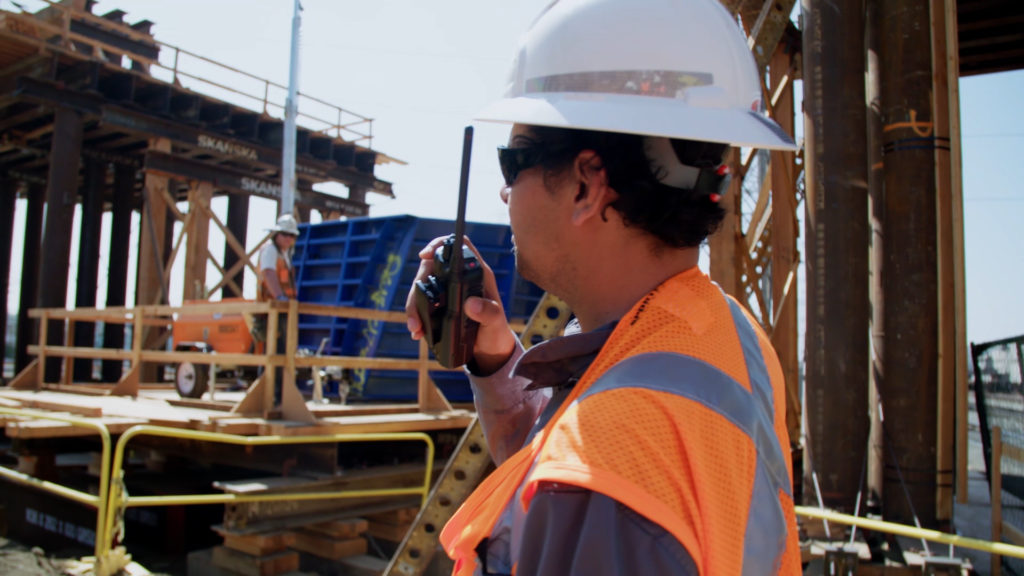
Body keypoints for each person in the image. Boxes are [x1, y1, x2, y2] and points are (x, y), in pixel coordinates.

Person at [404, 0, 802, 574]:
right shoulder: (724, 335)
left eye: (511, 162)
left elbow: (590, 475)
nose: (503, 194)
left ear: (587, 186)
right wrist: (495, 361)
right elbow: (574, 453)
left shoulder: (598, 479)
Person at [254, 214, 300, 400]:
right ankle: (269, 394)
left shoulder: (284, 254)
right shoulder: (270, 251)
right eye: (285, 234)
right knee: (272, 351)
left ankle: (278, 394)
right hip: (271, 311)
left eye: (292, 235)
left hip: (282, 311)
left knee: (282, 351)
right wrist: (279, 297)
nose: (288, 238)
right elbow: (268, 273)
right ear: (276, 234)